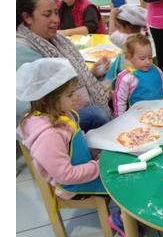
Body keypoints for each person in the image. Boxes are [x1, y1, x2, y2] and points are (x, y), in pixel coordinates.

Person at [17, 0, 111, 132]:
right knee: (98, 115)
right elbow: (24, 106)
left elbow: (64, 80)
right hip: (52, 120)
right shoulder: (22, 50)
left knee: (115, 82)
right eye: (47, 14)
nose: (55, 20)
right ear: (27, 17)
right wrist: (65, 103)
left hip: (68, 106)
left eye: (56, 12)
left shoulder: (56, 39)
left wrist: (92, 73)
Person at [17, 58, 106, 200]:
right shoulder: (48, 136)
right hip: (74, 187)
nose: (76, 97)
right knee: (124, 182)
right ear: (47, 99)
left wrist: (93, 153)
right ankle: (121, 220)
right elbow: (66, 175)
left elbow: (73, 145)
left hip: (86, 167)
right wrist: (98, 167)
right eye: (70, 95)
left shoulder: (61, 113)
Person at [113, 34, 163, 117]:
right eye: (142, 58)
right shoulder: (127, 77)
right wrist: (119, 119)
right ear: (129, 57)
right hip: (139, 116)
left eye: (150, 57)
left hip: (161, 112)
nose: (148, 62)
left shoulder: (156, 70)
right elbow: (120, 101)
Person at [106, 4, 149, 85]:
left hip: (129, 77)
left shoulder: (129, 40)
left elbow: (112, 34)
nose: (117, 30)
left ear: (129, 27)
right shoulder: (143, 35)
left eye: (118, 27)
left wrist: (112, 15)